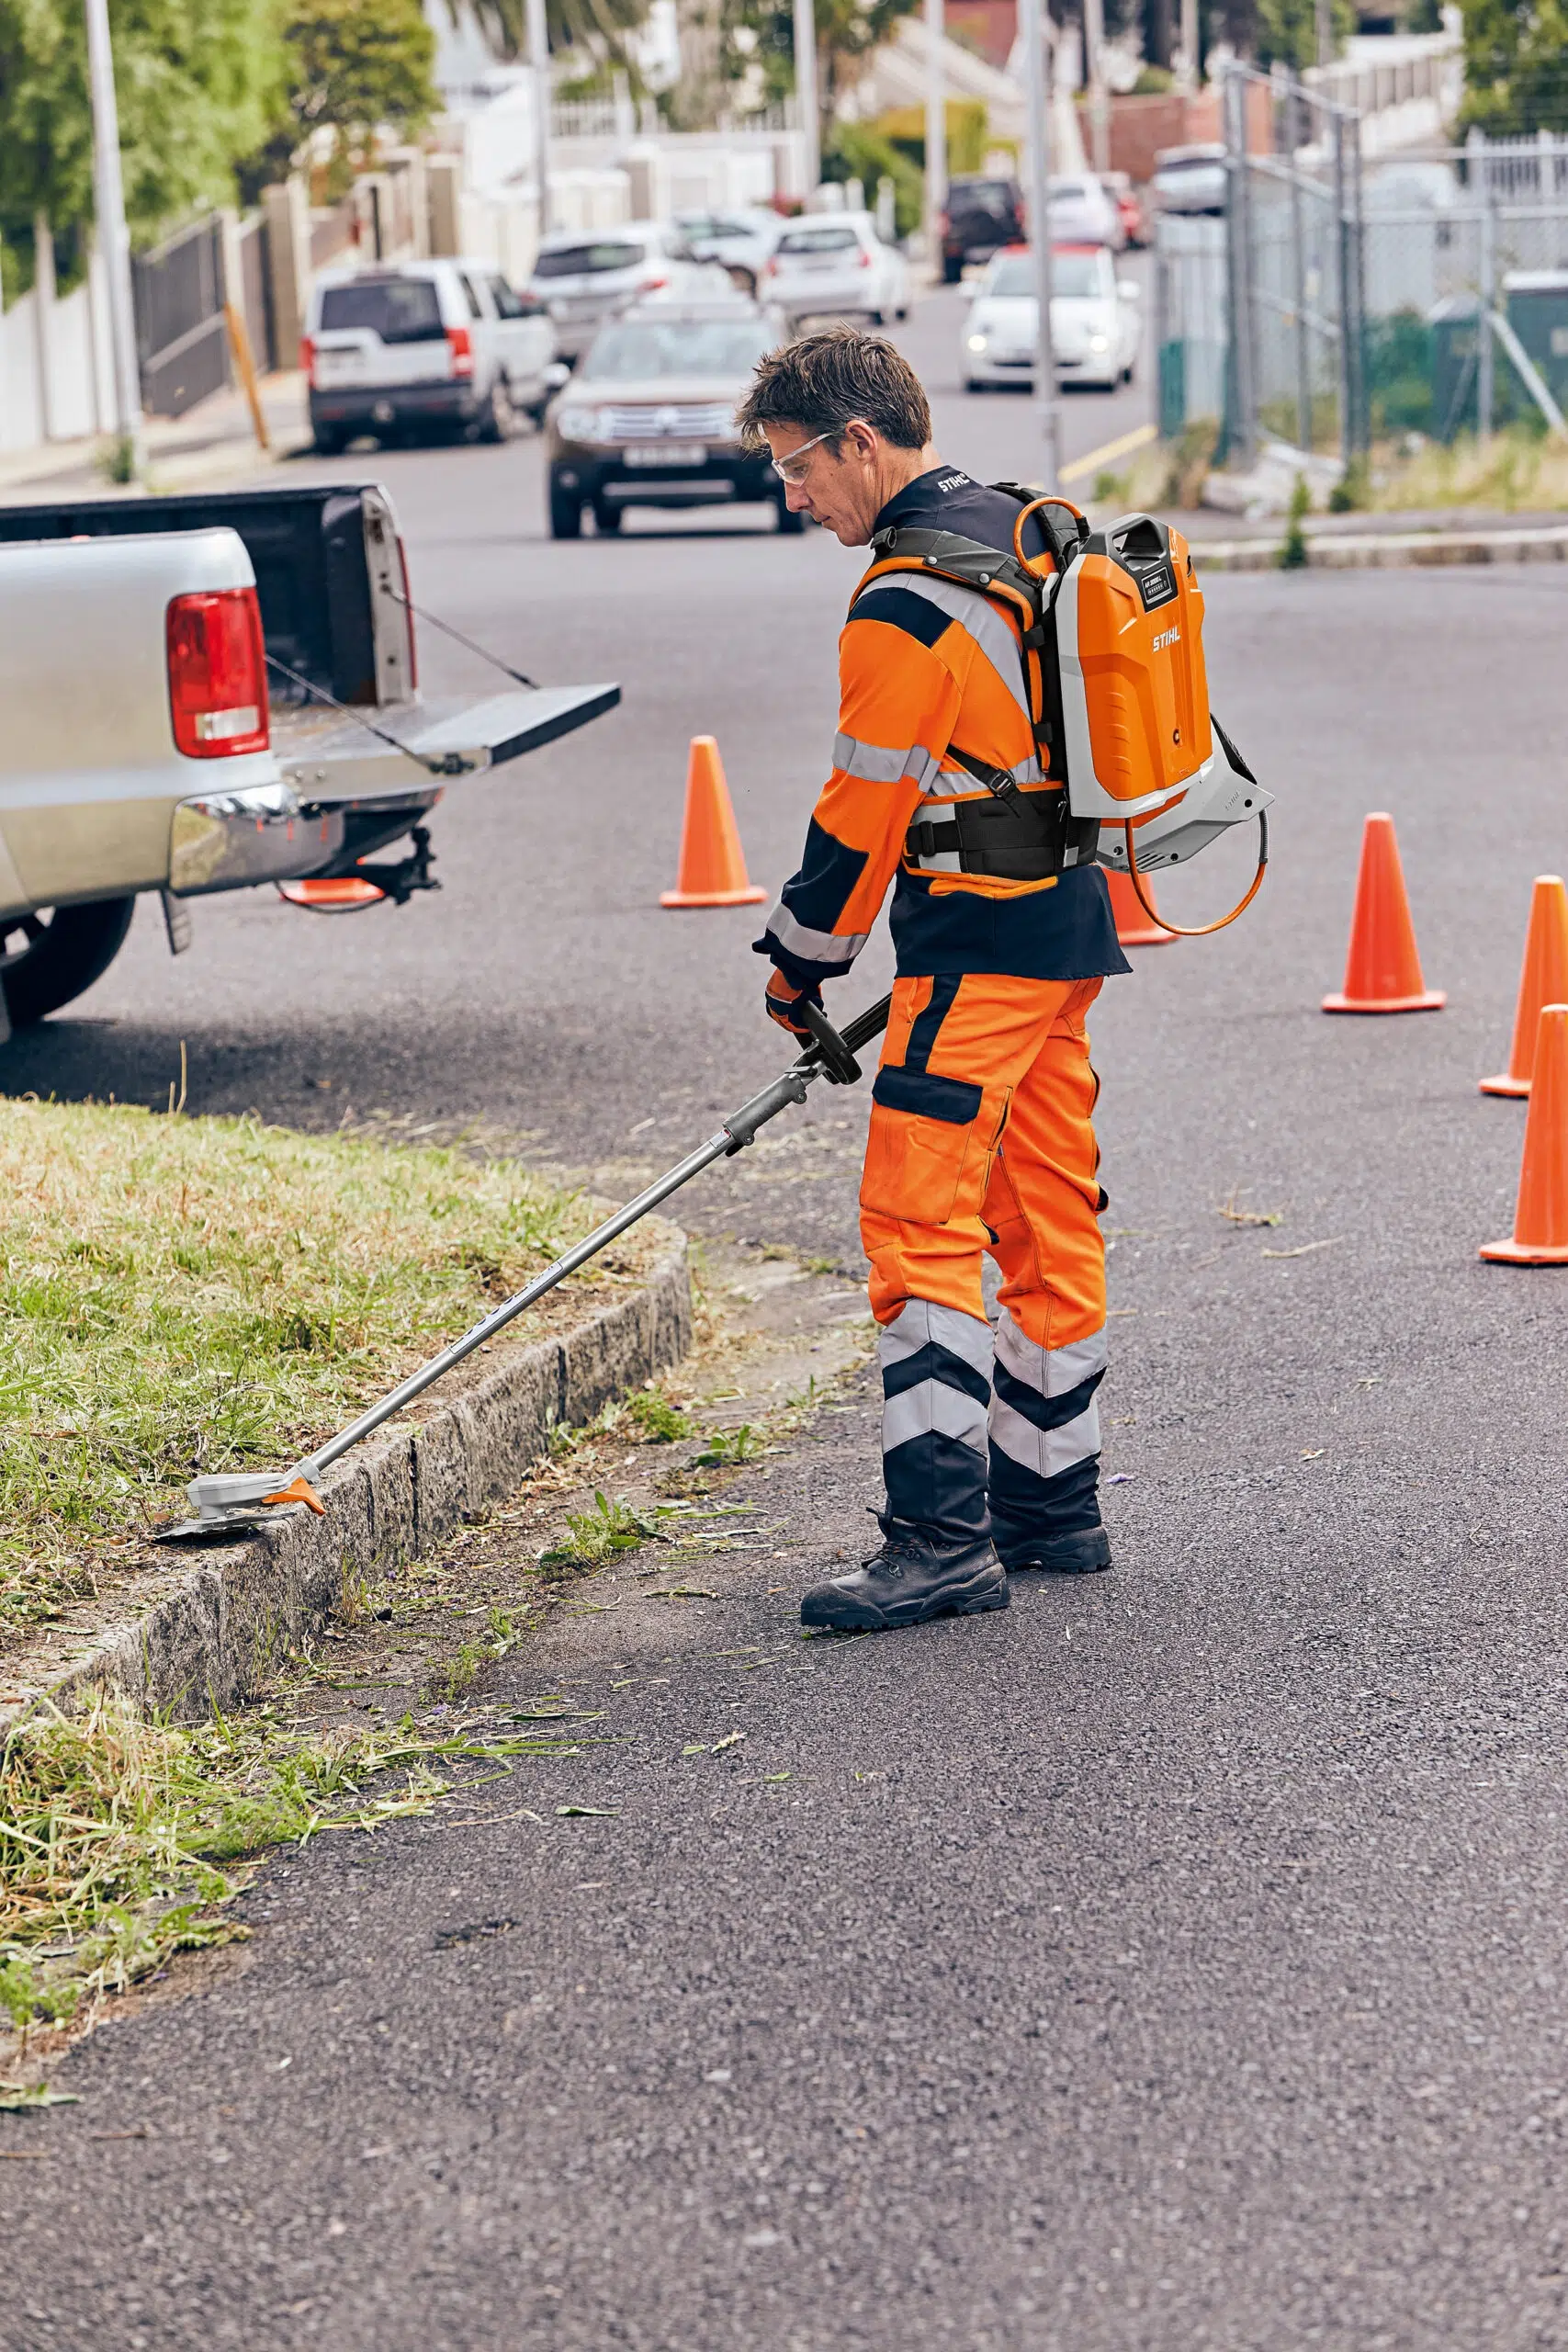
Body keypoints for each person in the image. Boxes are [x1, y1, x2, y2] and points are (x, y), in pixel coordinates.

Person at [735, 327, 1130, 1634]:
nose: (791, 497)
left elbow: (860, 813)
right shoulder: (1022, 526)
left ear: (859, 441)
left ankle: (938, 1540)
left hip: (970, 948)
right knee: (1043, 1212)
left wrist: (800, 964)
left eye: (797, 469)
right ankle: (1049, 1505)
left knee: (917, 1226)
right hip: (1061, 933)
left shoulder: (904, 596)